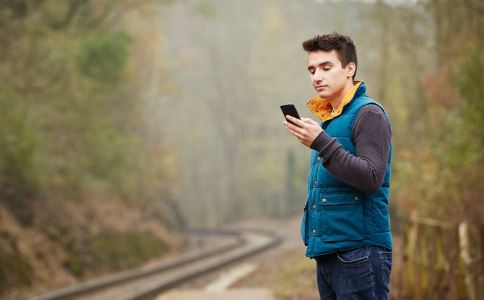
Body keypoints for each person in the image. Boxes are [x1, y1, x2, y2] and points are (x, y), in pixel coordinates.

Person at [283, 32, 393, 299]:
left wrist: (321, 142)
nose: (316, 76)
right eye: (311, 69)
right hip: (330, 251)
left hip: (360, 251)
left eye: (326, 67)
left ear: (349, 69)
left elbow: (370, 177)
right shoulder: (330, 121)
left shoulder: (369, 114)